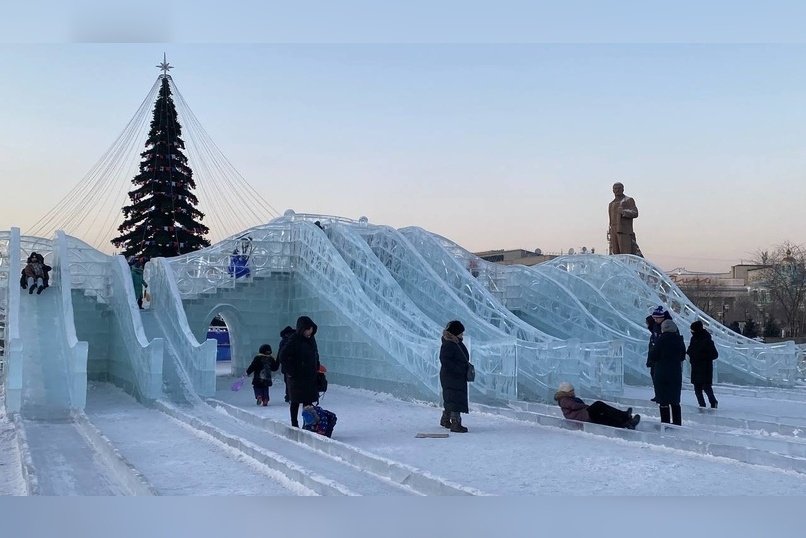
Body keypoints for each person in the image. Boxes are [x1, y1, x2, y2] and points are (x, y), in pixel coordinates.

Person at [278, 316, 320, 427]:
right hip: (296, 377)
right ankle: (294, 424)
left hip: (309, 376)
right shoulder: (294, 339)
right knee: (295, 401)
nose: (310, 332)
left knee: (308, 402)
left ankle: (307, 424)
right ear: (302, 329)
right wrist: (291, 371)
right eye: (308, 329)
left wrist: (317, 366)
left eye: (311, 330)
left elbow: (315, 353)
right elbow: (283, 356)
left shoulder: (311, 339)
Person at [554, 382, 640, 429]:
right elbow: (574, 406)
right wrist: (587, 407)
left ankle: (627, 423)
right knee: (598, 405)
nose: (573, 392)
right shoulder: (563, 400)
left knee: (604, 416)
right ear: (566, 392)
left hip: (585, 416)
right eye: (571, 391)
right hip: (583, 417)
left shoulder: (567, 399)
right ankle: (625, 416)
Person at [648, 319, 686, 425]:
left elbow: (653, 355)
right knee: (675, 400)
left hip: (662, 371)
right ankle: (677, 423)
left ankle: (665, 424)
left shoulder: (661, 340)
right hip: (675, 372)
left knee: (663, 400)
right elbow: (683, 355)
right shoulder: (679, 340)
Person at [439, 320, 471, 433]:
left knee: (451, 398)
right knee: (455, 399)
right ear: (455, 332)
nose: (462, 335)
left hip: (453, 376)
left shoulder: (455, 342)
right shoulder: (449, 344)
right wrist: (459, 369)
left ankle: (446, 419)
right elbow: (445, 361)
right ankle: (455, 423)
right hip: (452, 376)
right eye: (461, 332)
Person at [687, 320, 719, 409]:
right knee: (697, 388)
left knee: (706, 387)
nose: (691, 332)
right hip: (696, 366)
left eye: (692, 330)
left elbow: (714, 354)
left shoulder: (707, 340)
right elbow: (690, 349)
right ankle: (702, 405)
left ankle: (713, 402)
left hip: (705, 367)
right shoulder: (694, 339)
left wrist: (702, 356)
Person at [607, 182, 643, 256]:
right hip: (613, 231)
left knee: (626, 254)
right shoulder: (611, 204)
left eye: (619, 188)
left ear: (623, 189)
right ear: (613, 190)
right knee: (615, 254)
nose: (617, 190)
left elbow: (635, 213)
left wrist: (624, 212)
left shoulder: (628, 200)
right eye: (615, 188)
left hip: (624, 231)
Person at [647, 306, 672, 402]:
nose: (655, 320)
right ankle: (658, 395)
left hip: (662, 358)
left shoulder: (667, 326)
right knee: (654, 376)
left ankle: (663, 395)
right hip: (655, 356)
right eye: (654, 318)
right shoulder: (655, 326)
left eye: (657, 318)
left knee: (661, 378)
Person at [278, 325, 295, 403]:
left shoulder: (283, 342)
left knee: (288, 381)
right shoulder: (293, 341)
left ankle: (289, 396)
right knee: (292, 381)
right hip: (293, 365)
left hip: (287, 366)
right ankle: (291, 396)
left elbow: (280, 355)